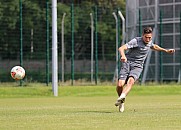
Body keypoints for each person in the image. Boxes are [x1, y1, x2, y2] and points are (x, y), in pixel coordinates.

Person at [115, 27, 175, 112]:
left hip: (138, 66)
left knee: (131, 81)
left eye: (149, 37)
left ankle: (123, 96)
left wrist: (166, 50)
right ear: (143, 35)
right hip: (127, 63)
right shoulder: (136, 41)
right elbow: (121, 48)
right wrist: (123, 55)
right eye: (146, 37)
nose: (148, 39)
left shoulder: (149, 42)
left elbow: (154, 46)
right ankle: (122, 102)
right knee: (120, 85)